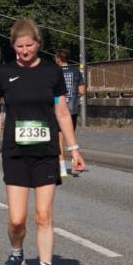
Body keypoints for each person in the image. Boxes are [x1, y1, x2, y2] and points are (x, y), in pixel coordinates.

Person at [0, 21, 86, 265]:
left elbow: (63, 113)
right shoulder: (4, 72)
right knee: (17, 220)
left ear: (38, 43)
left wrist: (74, 149)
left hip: (45, 152)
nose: (25, 51)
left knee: (43, 215)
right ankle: (16, 255)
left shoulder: (52, 72)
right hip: (15, 153)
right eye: (19, 46)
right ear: (13, 46)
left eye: (30, 46)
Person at [54, 49, 86, 177]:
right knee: (71, 137)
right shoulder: (76, 71)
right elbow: (82, 91)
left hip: (58, 109)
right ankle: (74, 165)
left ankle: (62, 169)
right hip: (72, 109)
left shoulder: (55, 72)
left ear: (58, 59)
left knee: (59, 139)